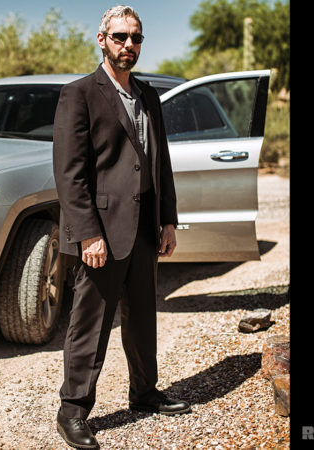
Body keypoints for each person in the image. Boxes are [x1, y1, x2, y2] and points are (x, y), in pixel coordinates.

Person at [52, 5, 191, 449]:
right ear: (101, 39)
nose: (128, 45)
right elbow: (70, 174)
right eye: (119, 37)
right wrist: (88, 232)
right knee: (89, 325)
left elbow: (160, 162)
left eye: (135, 37)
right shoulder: (79, 94)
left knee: (143, 318)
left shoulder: (149, 95)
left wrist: (168, 217)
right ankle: (72, 412)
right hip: (103, 233)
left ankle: (144, 392)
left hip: (145, 227)